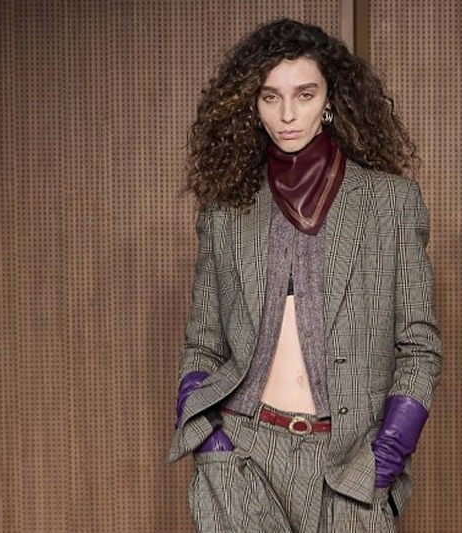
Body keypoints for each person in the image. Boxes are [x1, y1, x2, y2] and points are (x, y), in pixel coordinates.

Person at [167, 18, 442, 532]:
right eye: (270, 97)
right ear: (251, 105)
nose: (287, 115)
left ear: (330, 100)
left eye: (305, 95)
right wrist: (212, 442)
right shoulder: (227, 212)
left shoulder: (390, 204)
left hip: (348, 465)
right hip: (243, 455)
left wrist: (385, 457)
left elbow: (418, 347)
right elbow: (202, 345)